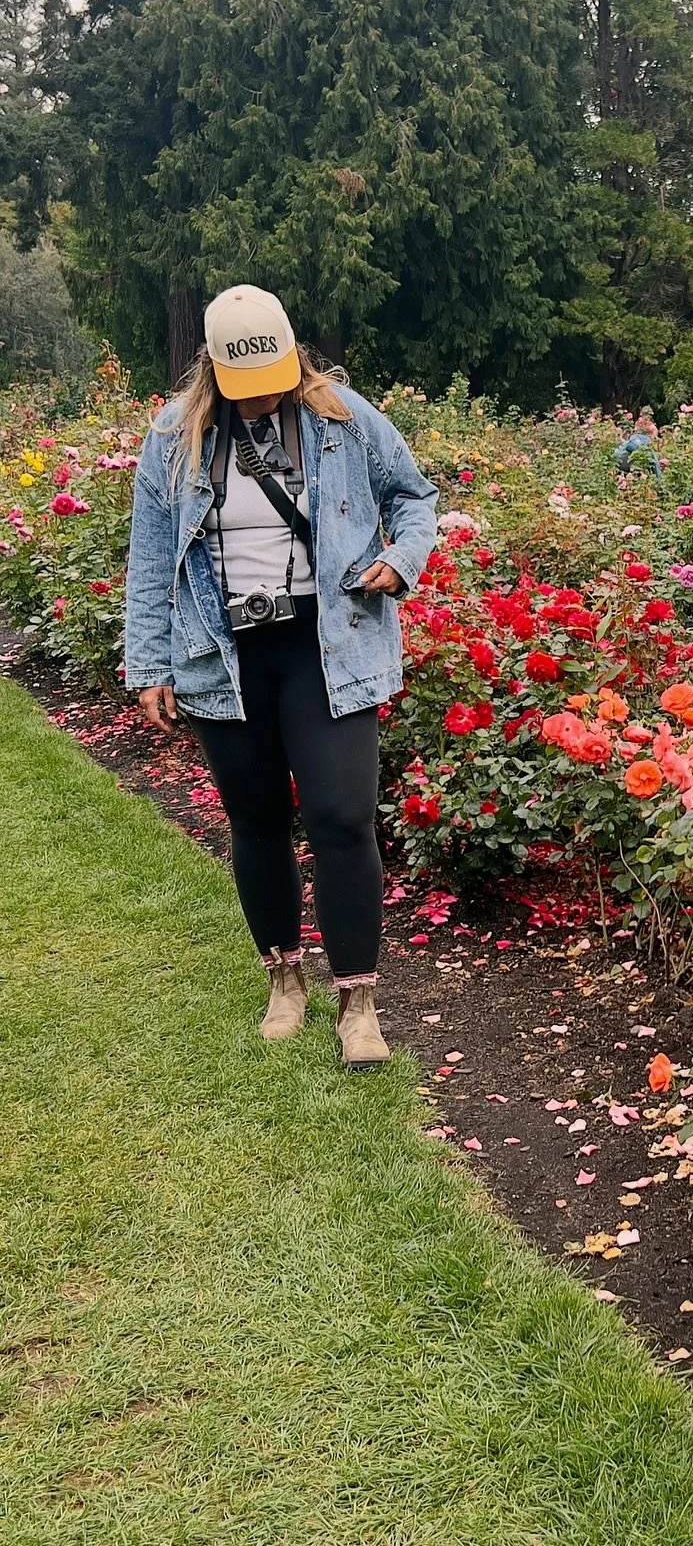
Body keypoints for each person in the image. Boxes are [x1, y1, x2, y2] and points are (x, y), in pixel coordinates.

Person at [124, 285, 438, 1068]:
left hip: (327, 642)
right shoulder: (174, 437)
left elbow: (415, 499)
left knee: (341, 818)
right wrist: (151, 664)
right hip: (224, 651)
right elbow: (153, 557)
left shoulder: (344, 418)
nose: (262, 393)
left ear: (293, 354)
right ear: (215, 370)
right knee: (256, 820)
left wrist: (399, 563)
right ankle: (285, 981)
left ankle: (357, 1002)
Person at [613, 407, 662, 481]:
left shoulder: (637, 436)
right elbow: (630, 446)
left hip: (619, 462)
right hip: (623, 461)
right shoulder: (643, 439)